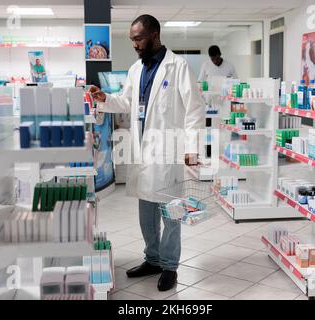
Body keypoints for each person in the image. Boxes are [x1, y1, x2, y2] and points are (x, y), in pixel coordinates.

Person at [88, 14, 205, 292]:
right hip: (144, 151)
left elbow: (194, 110)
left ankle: (169, 266)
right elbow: (127, 102)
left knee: (171, 213)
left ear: (154, 35)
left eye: (138, 38)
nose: (134, 44)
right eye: (131, 39)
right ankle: (152, 259)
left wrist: (192, 149)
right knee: (146, 213)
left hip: (169, 152)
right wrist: (105, 99)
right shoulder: (135, 69)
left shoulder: (178, 67)